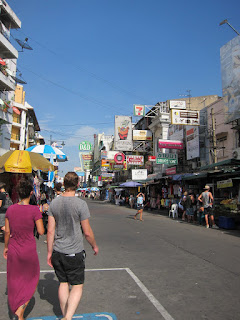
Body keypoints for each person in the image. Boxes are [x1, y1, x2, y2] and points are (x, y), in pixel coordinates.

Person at [47, 172, 99, 320]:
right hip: (74, 252)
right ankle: (68, 317)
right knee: (77, 285)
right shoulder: (80, 204)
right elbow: (87, 232)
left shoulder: (54, 203)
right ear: (77, 185)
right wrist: (94, 246)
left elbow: (50, 231)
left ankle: (65, 315)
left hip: (58, 250)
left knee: (63, 283)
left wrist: (49, 252)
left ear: (64, 184)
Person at [3, 178, 44, 320]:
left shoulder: (11, 209)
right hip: (29, 250)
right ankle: (21, 308)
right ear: (31, 193)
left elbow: (7, 232)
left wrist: (6, 247)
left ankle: (16, 306)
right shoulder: (34, 210)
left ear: (18, 193)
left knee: (14, 279)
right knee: (33, 277)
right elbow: (41, 231)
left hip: (14, 248)